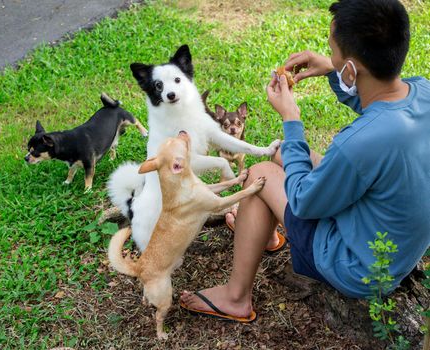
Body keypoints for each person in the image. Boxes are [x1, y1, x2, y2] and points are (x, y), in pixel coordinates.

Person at [180, 0, 430, 322]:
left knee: (262, 173)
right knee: (286, 152)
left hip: (357, 267)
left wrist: (291, 117)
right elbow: (380, 105)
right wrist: (331, 67)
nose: (331, 56)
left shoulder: (356, 144)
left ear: (352, 69)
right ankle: (263, 234)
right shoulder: (422, 91)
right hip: (391, 242)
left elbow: (302, 201)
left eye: (333, 50)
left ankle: (235, 297)